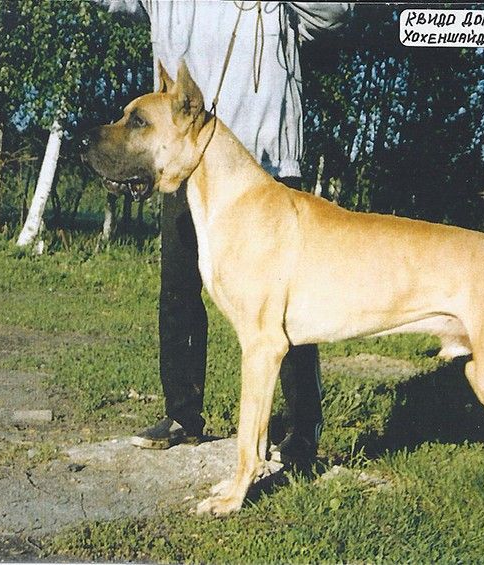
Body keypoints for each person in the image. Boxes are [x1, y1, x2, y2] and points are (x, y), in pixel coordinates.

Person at [100, 1, 352, 464]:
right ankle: (182, 416)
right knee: (178, 292)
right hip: (185, 158)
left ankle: (302, 430)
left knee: (286, 300)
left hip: (266, 161)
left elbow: (335, 14)